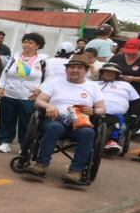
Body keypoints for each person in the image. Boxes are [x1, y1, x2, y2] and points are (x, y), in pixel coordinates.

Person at [25, 53, 105, 185]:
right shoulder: (55, 83)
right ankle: (41, 164)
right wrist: (49, 106)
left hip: (79, 123)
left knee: (88, 133)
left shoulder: (93, 87)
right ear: (66, 69)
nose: (75, 70)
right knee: (55, 127)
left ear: (86, 70)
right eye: (71, 67)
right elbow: (39, 101)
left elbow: (102, 109)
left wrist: (94, 111)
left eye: (79, 68)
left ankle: (76, 171)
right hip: (55, 120)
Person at [0, 33, 46, 153]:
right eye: (25, 41)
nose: (27, 44)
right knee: (6, 119)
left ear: (38, 46)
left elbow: (49, 79)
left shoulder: (43, 61)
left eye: (31, 43)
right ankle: (4, 142)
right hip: (9, 94)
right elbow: (5, 73)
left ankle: (25, 146)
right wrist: (1, 87)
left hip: (29, 97)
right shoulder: (15, 57)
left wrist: (40, 90)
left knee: (26, 123)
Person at [95, 63, 139, 154]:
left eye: (112, 72)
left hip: (118, 115)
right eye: (107, 71)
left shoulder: (125, 85)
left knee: (120, 118)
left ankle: (113, 141)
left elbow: (136, 101)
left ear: (117, 74)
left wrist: (134, 114)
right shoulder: (93, 84)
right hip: (95, 112)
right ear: (102, 72)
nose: (109, 73)